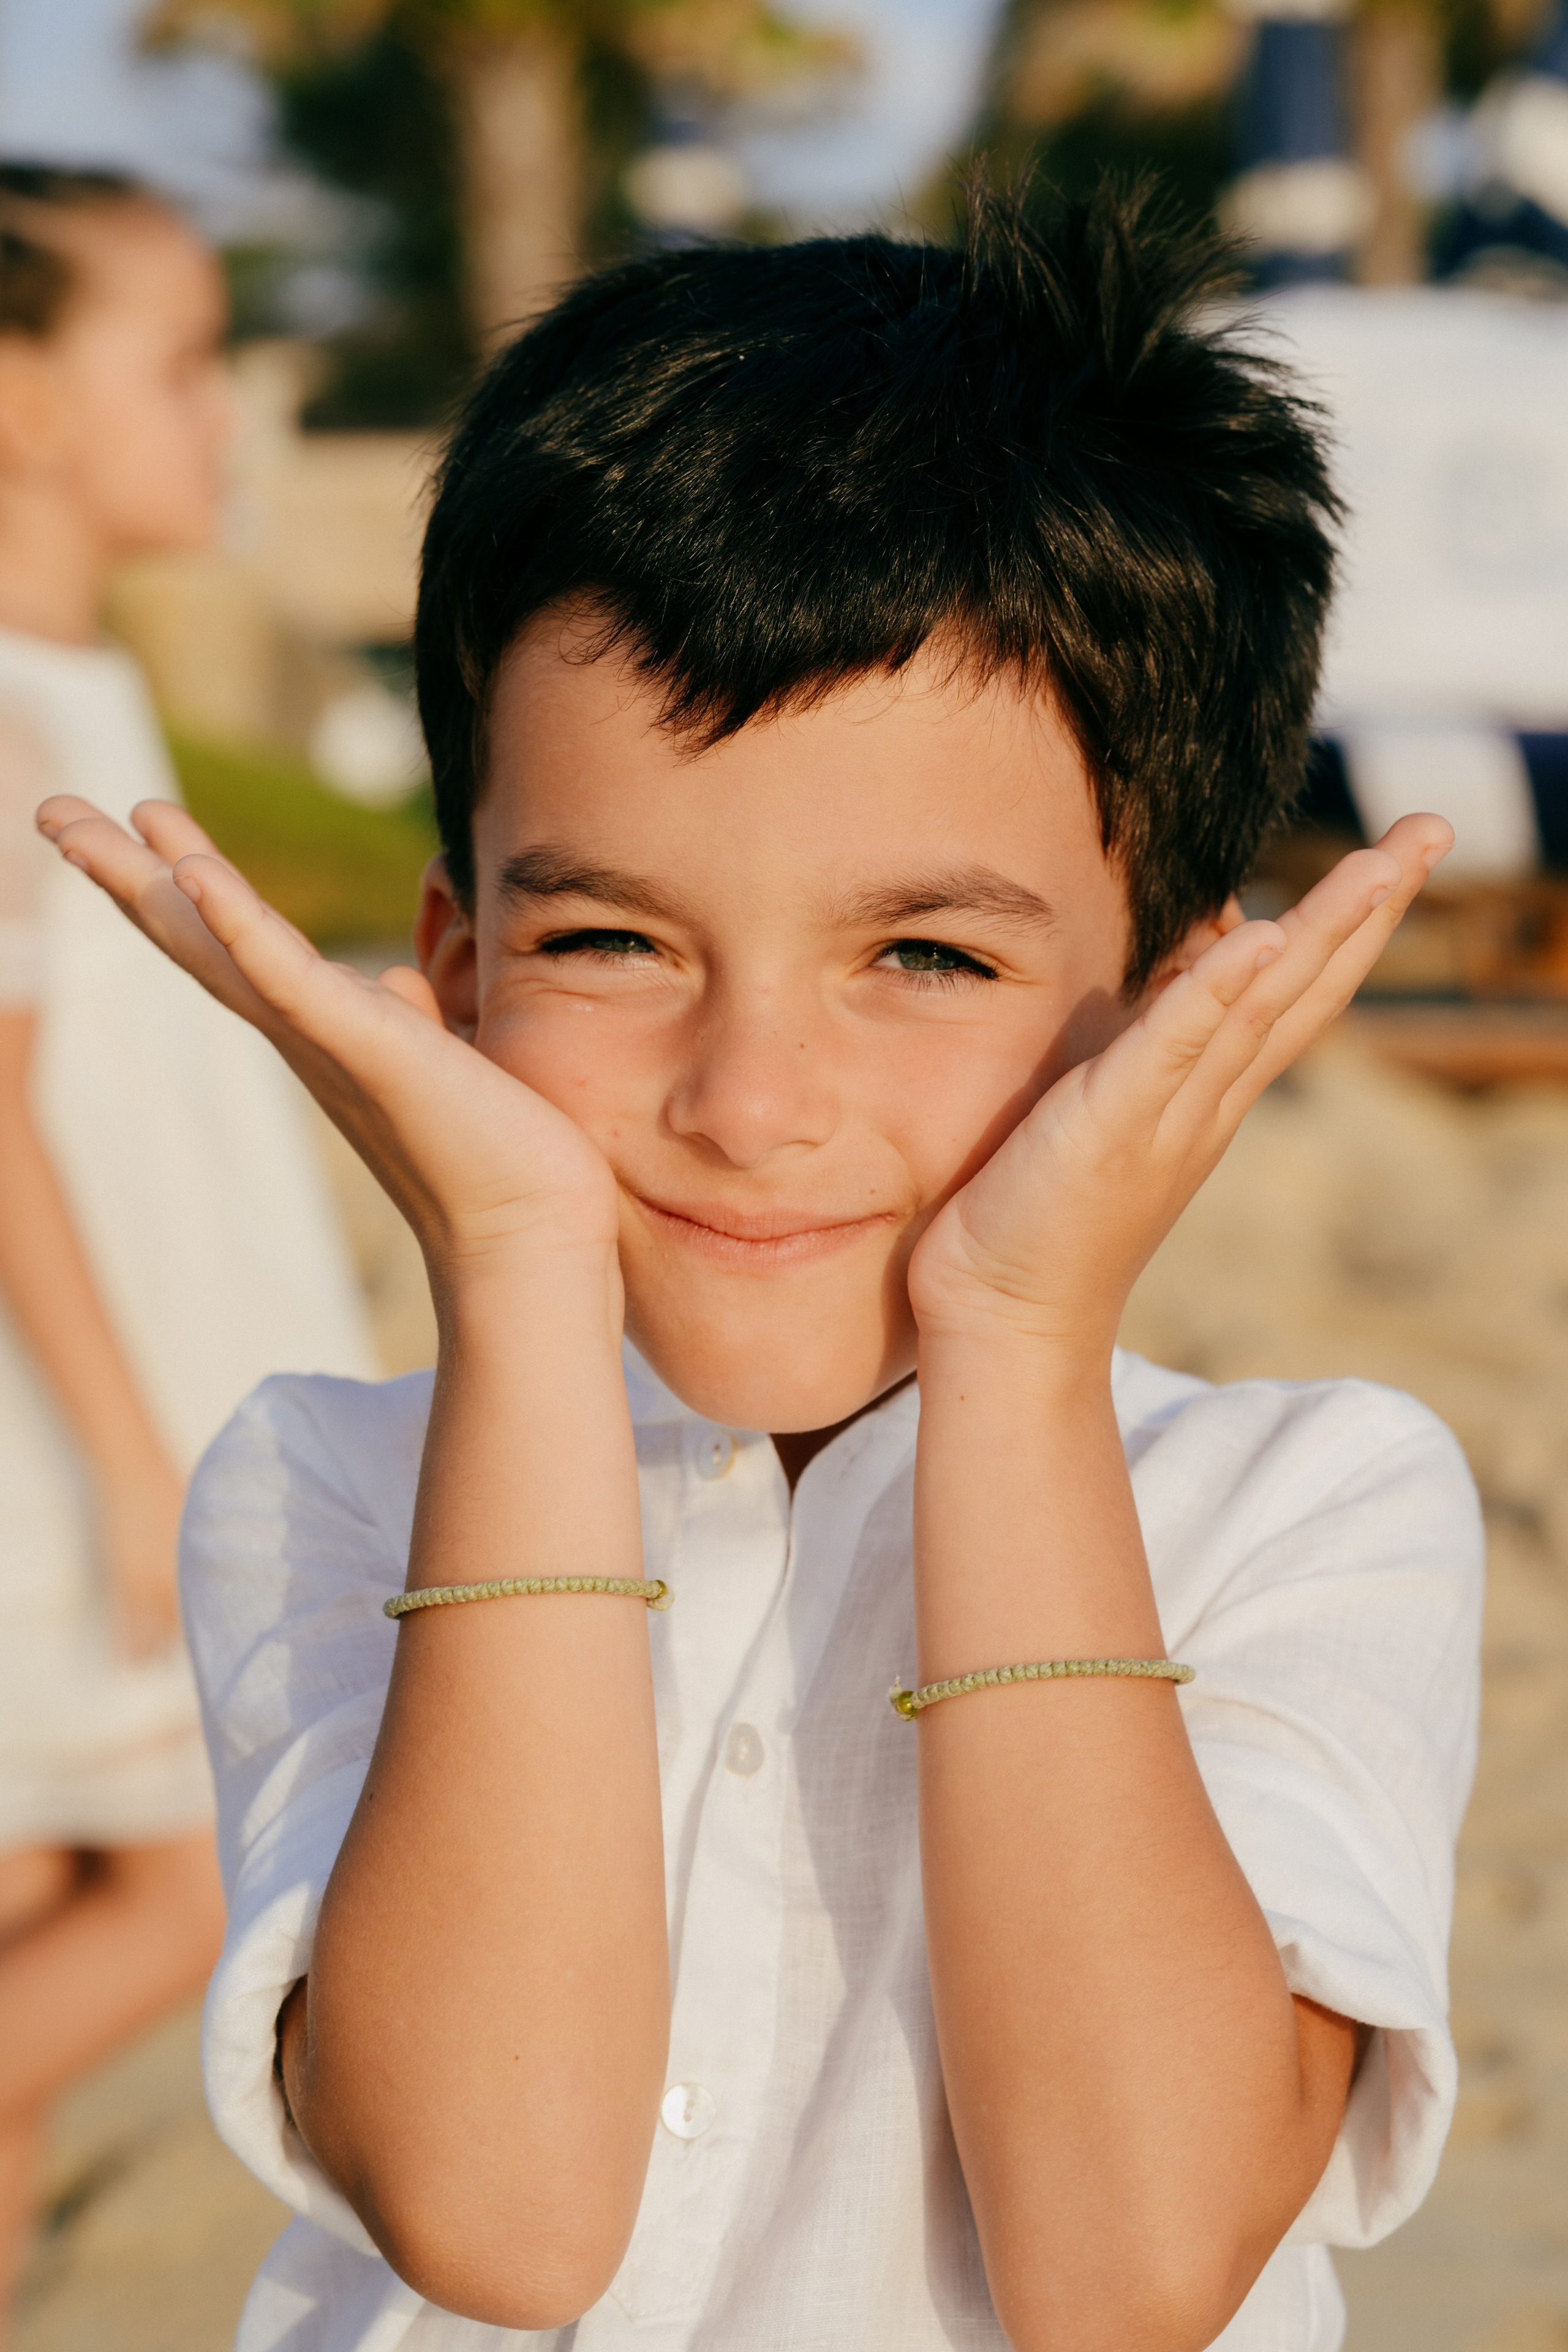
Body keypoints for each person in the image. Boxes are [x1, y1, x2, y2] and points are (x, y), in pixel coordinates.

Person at [43, 186, 1480, 2352]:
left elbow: (1130, 2264)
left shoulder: (1311, 1507)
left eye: (926, 954)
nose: (746, 1095)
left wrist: (1012, 1347)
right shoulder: (331, 1484)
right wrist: (519, 1284)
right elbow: (499, 2219)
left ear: (1174, 1009)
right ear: (456, 961)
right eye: (608, 939)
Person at [0, 164, 375, 2329]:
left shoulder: (80, 686)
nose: (226, 406)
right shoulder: (17, 713)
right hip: (78, 1458)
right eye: (178, 360)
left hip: (112, 1435)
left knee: (52, 1902)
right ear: (25, 402)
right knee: (171, 1892)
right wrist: (143, 1462)